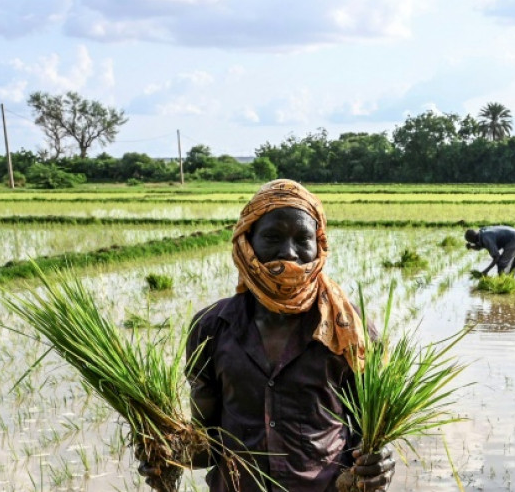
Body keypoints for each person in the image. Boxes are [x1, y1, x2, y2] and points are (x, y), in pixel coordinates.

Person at [140, 180, 395, 492]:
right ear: (247, 243)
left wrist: (379, 461)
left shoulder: (350, 330)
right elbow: (208, 443)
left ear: (319, 244)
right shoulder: (210, 328)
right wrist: (166, 453)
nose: (288, 253)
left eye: (302, 239)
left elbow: (369, 437)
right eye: (272, 237)